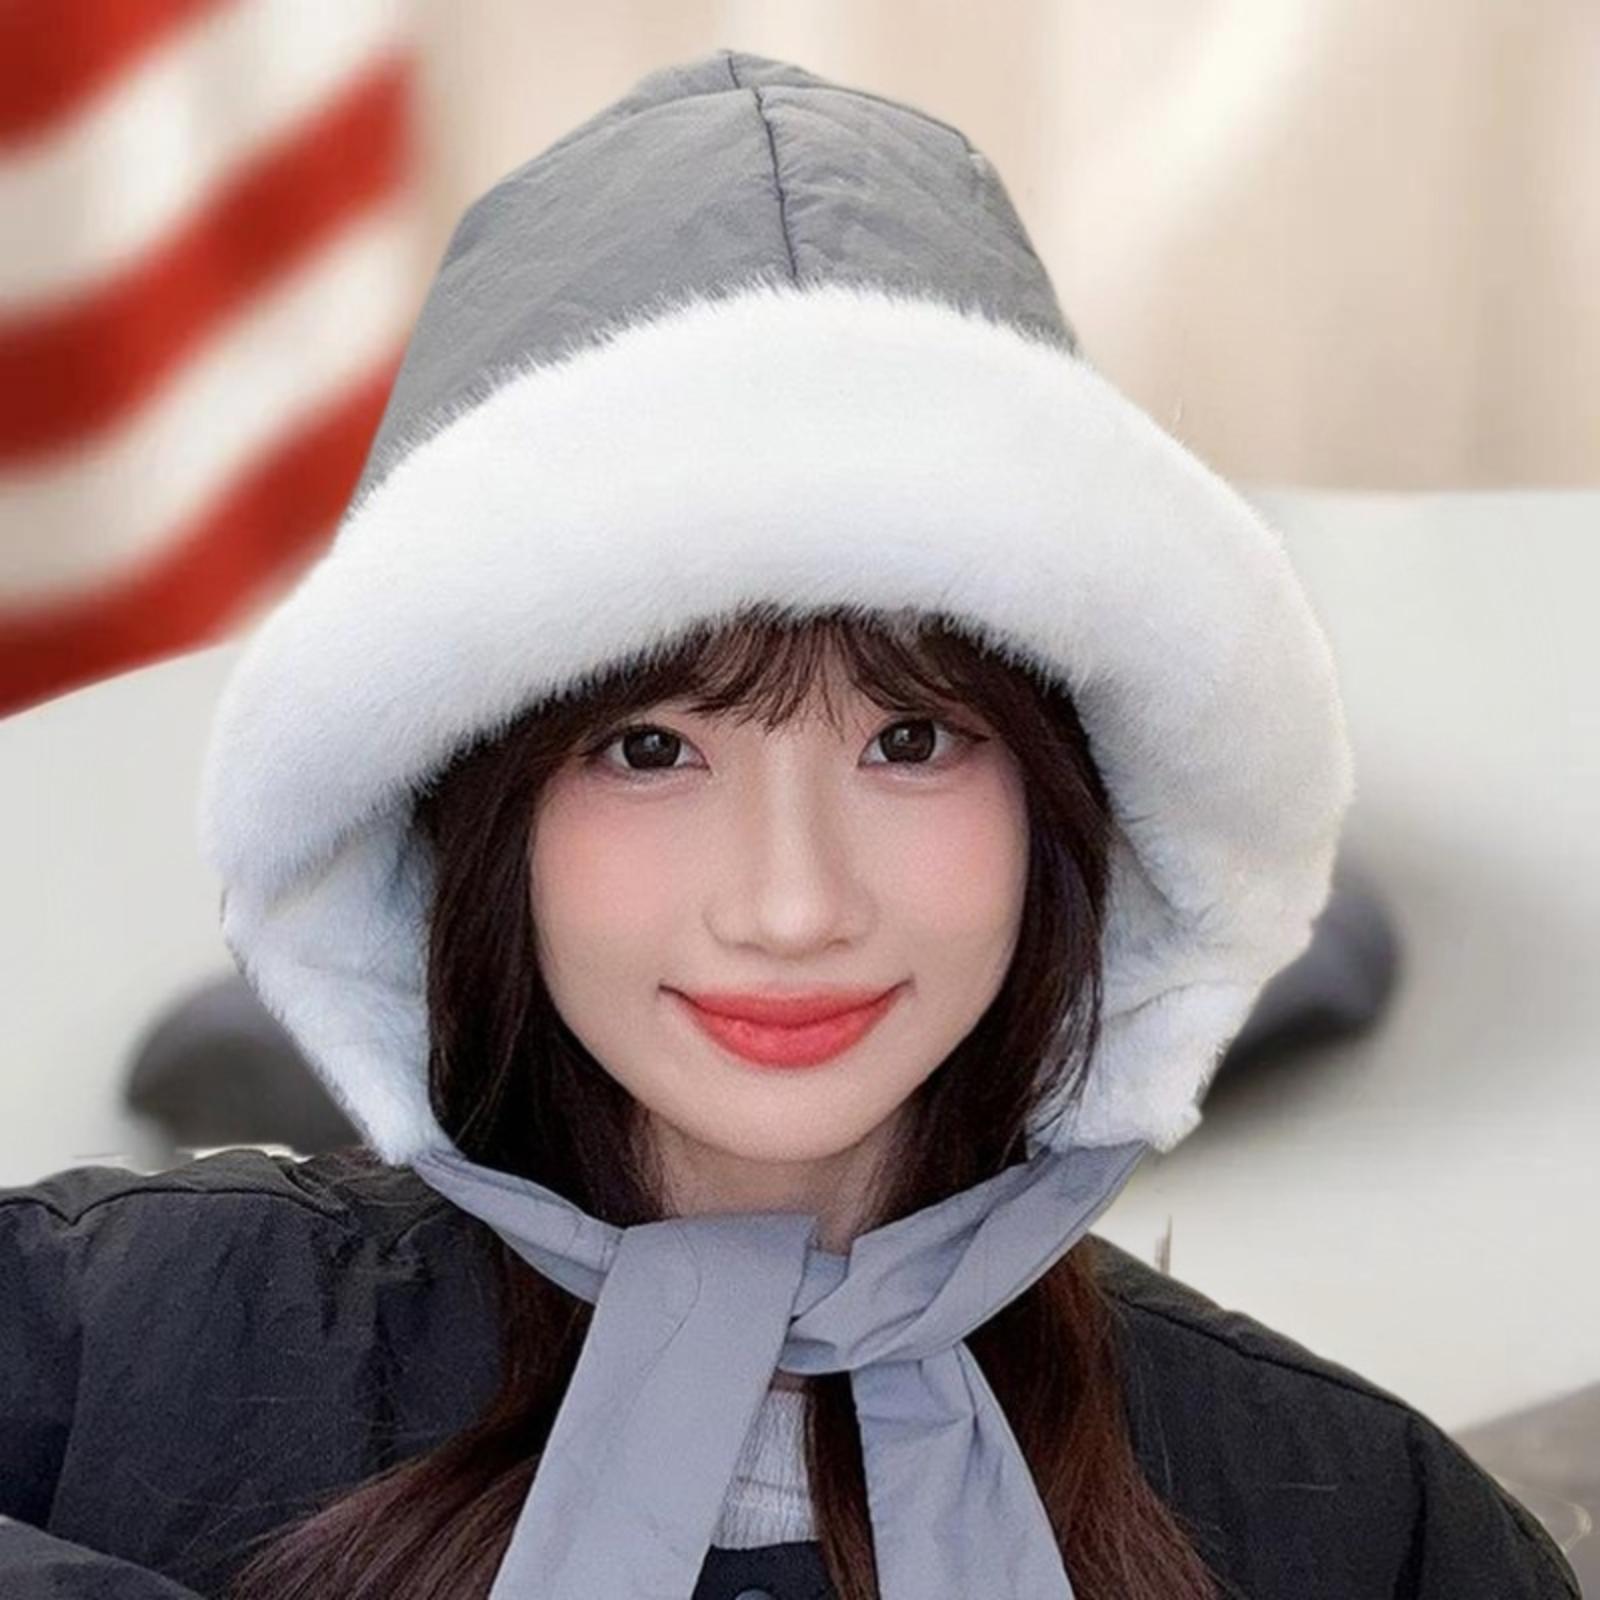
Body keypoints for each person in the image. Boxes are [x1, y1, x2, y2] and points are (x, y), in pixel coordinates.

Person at [0, 47, 1578, 1600]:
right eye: (649, 749)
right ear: (475, 808)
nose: (791, 904)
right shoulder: (103, 1343)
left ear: (1070, 796)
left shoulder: (1363, 1529)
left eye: (910, 739)